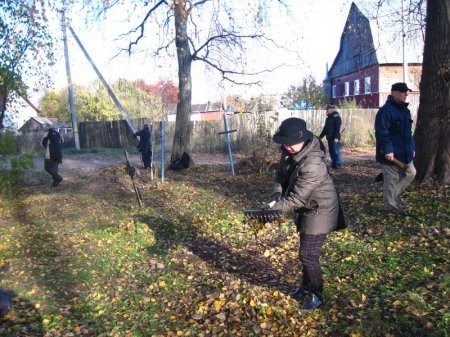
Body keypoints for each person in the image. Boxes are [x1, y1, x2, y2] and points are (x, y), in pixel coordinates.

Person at [269, 117, 345, 310]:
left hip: (321, 208)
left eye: (291, 143)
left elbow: (297, 199)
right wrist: (277, 194)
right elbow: (280, 175)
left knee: (308, 255)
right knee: (305, 252)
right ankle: (305, 286)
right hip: (307, 205)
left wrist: (272, 211)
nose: (287, 147)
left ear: (302, 139)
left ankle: (317, 294)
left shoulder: (313, 163)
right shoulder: (288, 151)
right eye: (285, 143)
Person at [375, 82, 416, 214]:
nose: (406, 94)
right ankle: (390, 207)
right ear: (394, 93)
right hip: (390, 155)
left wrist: (412, 148)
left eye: (406, 92)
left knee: (412, 173)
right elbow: (381, 132)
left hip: (405, 152)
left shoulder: (405, 111)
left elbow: (408, 133)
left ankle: (392, 195)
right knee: (391, 181)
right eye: (403, 92)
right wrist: (388, 150)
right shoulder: (385, 111)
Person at [319, 104, 343, 168]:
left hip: (335, 138)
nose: (326, 111)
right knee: (331, 151)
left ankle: (339, 164)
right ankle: (334, 164)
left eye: (327, 110)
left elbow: (337, 128)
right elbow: (325, 129)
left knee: (336, 152)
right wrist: (320, 137)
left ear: (331, 110)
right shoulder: (328, 118)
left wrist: (336, 137)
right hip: (329, 138)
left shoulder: (336, 117)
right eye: (326, 110)